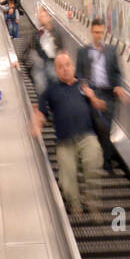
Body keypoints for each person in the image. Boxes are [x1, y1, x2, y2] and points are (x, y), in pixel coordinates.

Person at [31, 52, 105, 220]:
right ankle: (75, 205)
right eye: (60, 66)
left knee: (94, 161)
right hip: (64, 141)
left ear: (73, 67)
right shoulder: (51, 90)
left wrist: (92, 97)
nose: (65, 69)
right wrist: (37, 124)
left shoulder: (85, 85)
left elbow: (101, 106)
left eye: (67, 65)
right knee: (67, 176)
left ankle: (92, 203)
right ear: (56, 71)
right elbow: (40, 111)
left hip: (87, 136)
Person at [75, 17, 127, 172]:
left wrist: (118, 86)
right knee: (91, 126)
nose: (99, 35)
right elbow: (79, 74)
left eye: (101, 32)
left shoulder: (111, 51)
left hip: (108, 94)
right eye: (96, 32)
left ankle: (106, 161)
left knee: (105, 127)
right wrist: (84, 87)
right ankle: (89, 158)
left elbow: (117, 73)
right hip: (89, 93)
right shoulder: (83, 52)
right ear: (91, 31)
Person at [28, 6, 62, 95]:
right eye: (40, 17)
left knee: (53, 79)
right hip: (40, 64)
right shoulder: (36, 34)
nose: (41, 19)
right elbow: (30, 50)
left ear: (49, 17)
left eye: (44, 16)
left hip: (52, 63)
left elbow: (60, 49)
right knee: (40, 84)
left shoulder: (55, 33)